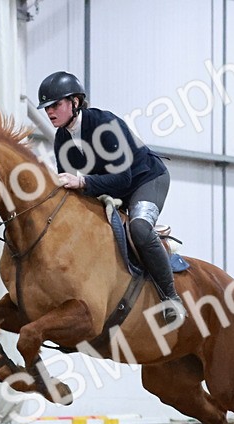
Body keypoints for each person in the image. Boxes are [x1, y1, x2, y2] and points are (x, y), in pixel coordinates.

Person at [37, 71, 187, 324]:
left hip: (146, 180)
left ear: (75, 102)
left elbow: (123, 179)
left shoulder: (105, 124)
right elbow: (66, 184)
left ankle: (171, 298)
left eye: (56, 105)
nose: (50, 112)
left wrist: (83, 181)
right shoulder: (62, 138)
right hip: (112, 188)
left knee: (139, 228)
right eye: (47, 107)